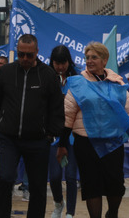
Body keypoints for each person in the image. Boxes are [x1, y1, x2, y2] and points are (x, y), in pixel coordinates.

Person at [0, 34, 65, 218]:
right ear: (17, 52)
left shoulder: (48, 75)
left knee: (37, 186)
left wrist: (51, 133)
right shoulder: (5, 73)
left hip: (38, 140)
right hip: (8, 138)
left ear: (37, 52)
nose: (25, 59)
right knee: (5, 179)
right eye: (21, 54)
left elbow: (56, 108)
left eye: (29, 55)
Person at [63, 42, 129, 218]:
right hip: (86, 143)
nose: (89, 61)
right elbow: (67, 116)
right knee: (92, 187)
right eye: (87, 58)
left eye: (94, 57)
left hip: (113, 143)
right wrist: (62, 144)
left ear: (104, 60)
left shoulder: (117, 83)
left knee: (116, 187)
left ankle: (112, 212)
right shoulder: (77, 84)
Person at [49, 45, 79, 218]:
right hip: (54, 134)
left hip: (73, 135)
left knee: (70, 176)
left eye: (63, 63)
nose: (60, 67)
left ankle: (70, 213)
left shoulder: (77, 78)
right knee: (54, 176)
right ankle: (59, 203)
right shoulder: (47, 77)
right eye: (57, 63)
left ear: (69, 62)